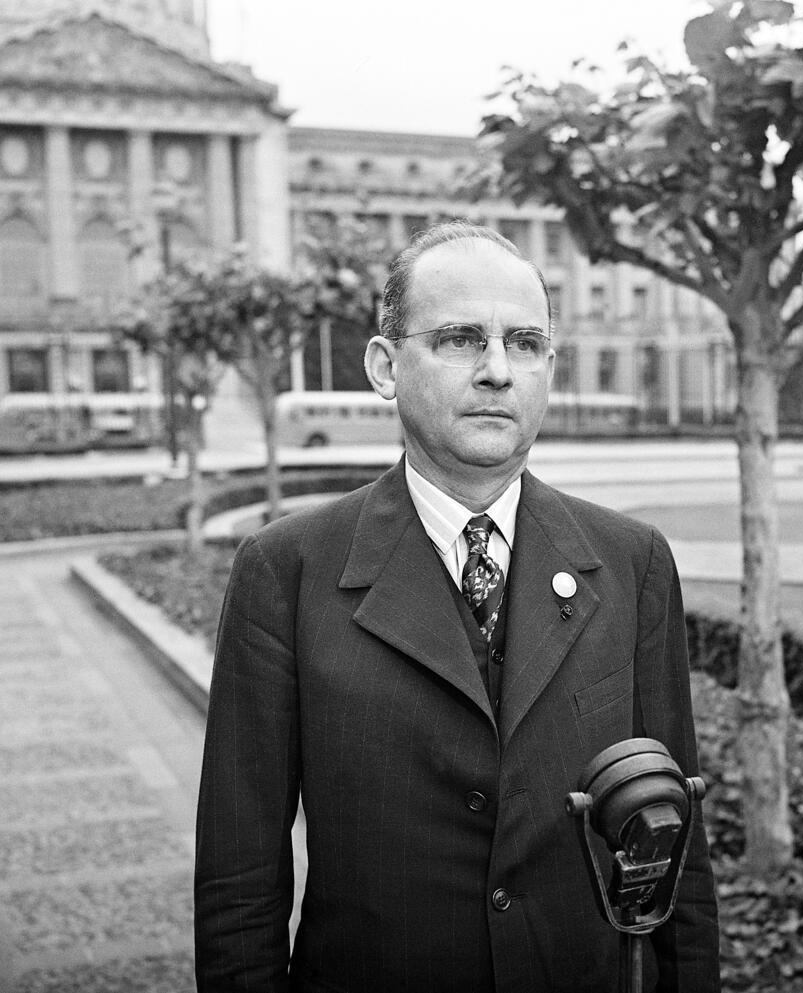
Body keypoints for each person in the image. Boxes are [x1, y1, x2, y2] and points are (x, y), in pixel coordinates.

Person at [194, 221, 720, 992]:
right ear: (385, 366)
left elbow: (677, 847)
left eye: (525, 343)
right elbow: (240, 882)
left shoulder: (632, 561)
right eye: (461, 339)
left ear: (549, 369)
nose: (498, 370)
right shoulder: (285, 571)